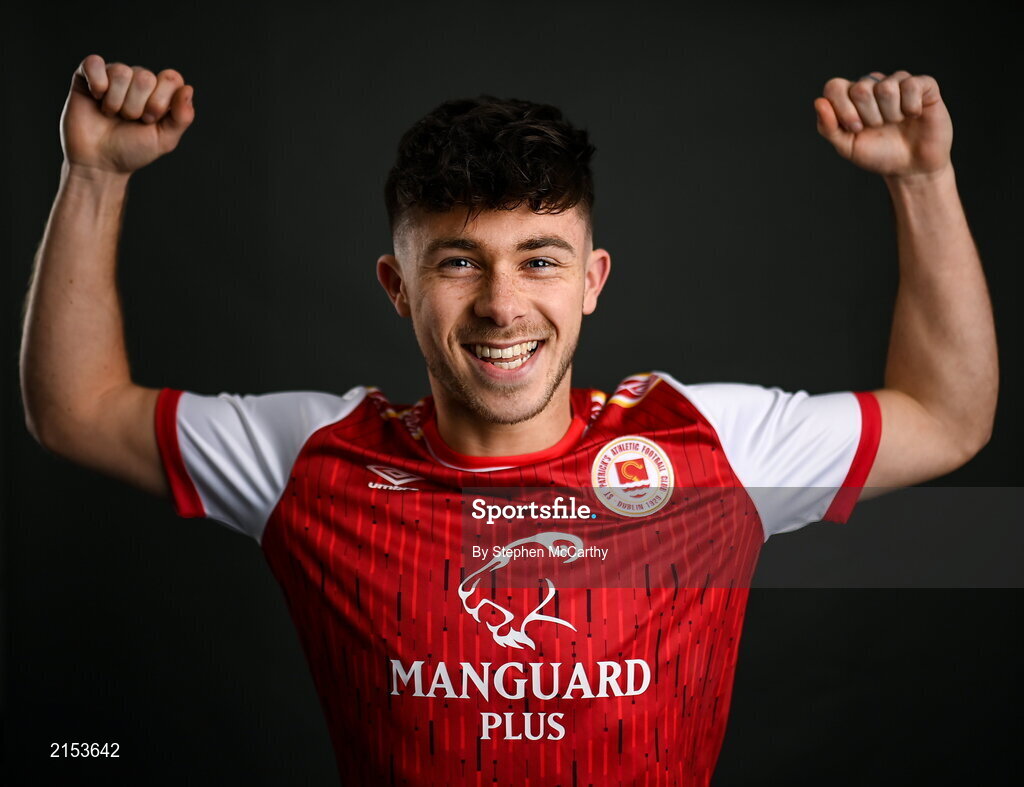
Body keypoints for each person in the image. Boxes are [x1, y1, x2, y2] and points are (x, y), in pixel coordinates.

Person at [19, 54, 997, 786]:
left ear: (591, 281)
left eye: (538, 258)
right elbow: (76, 409)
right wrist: (95, 176)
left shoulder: (710, 446)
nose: (500, 304)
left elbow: (946, 418)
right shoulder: (313, 461)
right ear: (397, 288)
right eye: (456, 262)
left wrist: (920, 183)